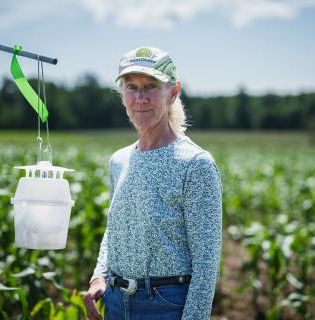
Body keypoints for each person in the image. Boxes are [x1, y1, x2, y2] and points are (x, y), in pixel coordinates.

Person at [83, 46, 222, 320]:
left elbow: (206, 266)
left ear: (173, 92)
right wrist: (99, 277)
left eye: (150, 86)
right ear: (121, 94)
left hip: (166, 306)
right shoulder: (119, 160)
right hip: (114, 302)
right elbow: (114, 231)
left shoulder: (195, 164)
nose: (140, 97)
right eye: (131, 86)